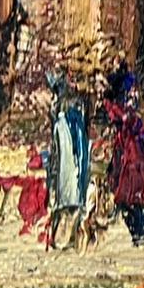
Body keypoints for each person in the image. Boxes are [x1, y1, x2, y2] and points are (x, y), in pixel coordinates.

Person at [103, 64, 144, 244]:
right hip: (127, 147)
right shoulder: (117, 108)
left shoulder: (124, 106)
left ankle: (139, 223)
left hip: (133, 146)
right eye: (129, 90)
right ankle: (136, 227)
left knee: (137, 183)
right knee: (129, 184)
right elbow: (122, 119)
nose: (132, 93)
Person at [45, 69, 91, 248]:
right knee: (70, 153)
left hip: (68, 167)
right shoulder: (80, 208)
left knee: (67, 153)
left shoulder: (57, 204)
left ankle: (62, 91)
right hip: (72, 167)